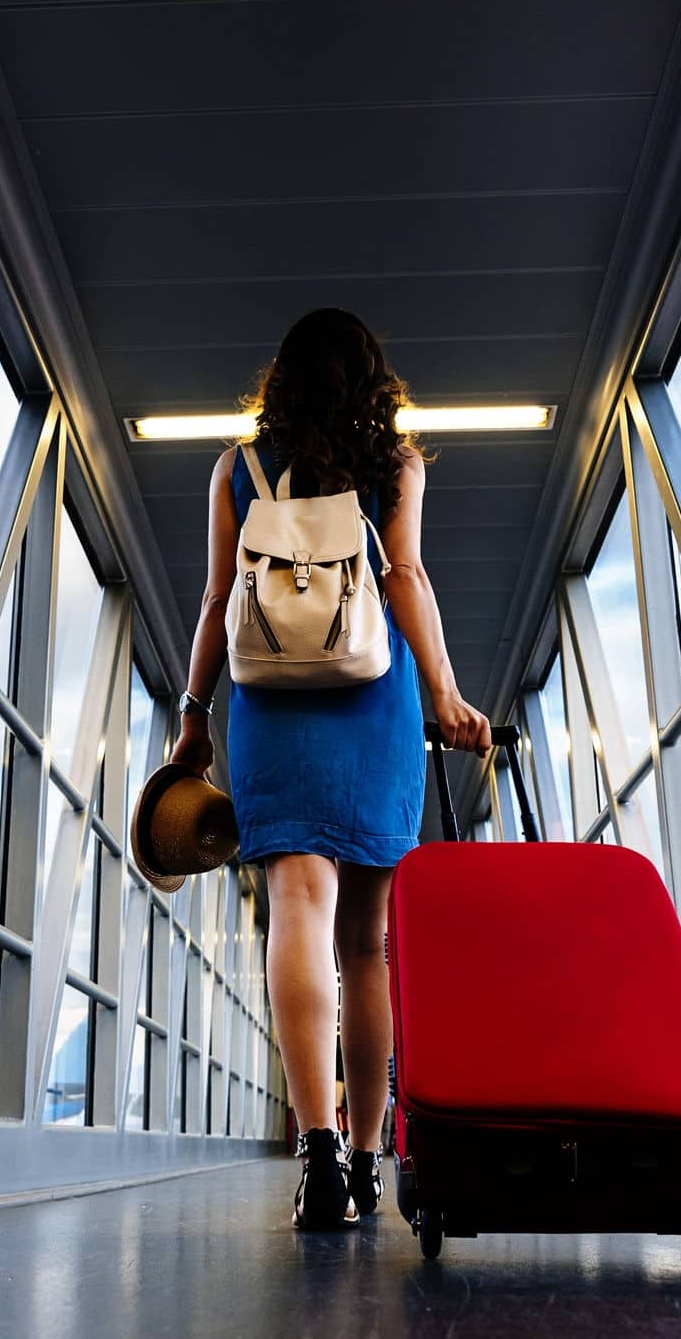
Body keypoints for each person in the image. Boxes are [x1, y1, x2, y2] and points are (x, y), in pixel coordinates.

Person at [168, 308, 491, 1230]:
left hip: (269, 703)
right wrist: (446, 692)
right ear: (373, 380)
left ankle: (313, 1151)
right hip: (371, 701)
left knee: (295, 916)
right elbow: (408, 579)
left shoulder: (239, 469)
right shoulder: (397, 466)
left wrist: (194, 716)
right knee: (367, 942)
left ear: (281, 379)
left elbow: (217, 598)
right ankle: (366, 1153)